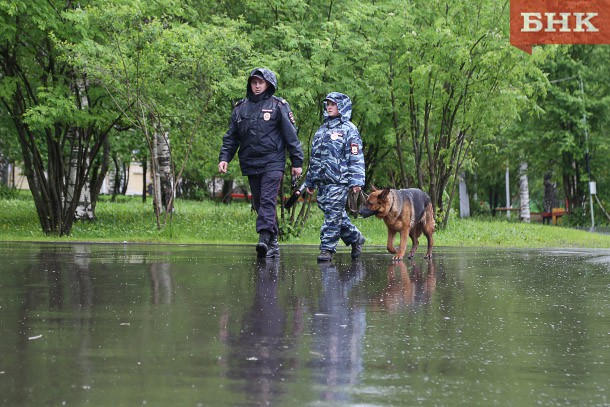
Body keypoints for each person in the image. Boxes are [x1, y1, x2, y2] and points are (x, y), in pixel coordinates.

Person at [218, 68, 304, 258]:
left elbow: (291, 136)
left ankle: (264, 237)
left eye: (261, 82)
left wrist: (297, 162)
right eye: (254, 82)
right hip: (250, 162)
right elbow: (231, 138)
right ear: (250, 84)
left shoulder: (277, 106)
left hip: (273, 161)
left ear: (268, 84)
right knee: (259, 203)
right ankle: (272, 243)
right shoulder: (240, 108)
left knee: (267, 199)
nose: (257, 86)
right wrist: (224, 158)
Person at [305, 92, 366, 262]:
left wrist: (356, 181)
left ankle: (327, 249)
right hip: (323, 181)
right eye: (328, 104)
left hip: (340, 181)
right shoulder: (322, 129)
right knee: (333, 212)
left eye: (333, 104)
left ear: (342, 106)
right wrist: (310, 181)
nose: (329, 107)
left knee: (332, 215)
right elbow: (315, 158)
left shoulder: (349, 129)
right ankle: (355, 238)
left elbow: (356, 156)